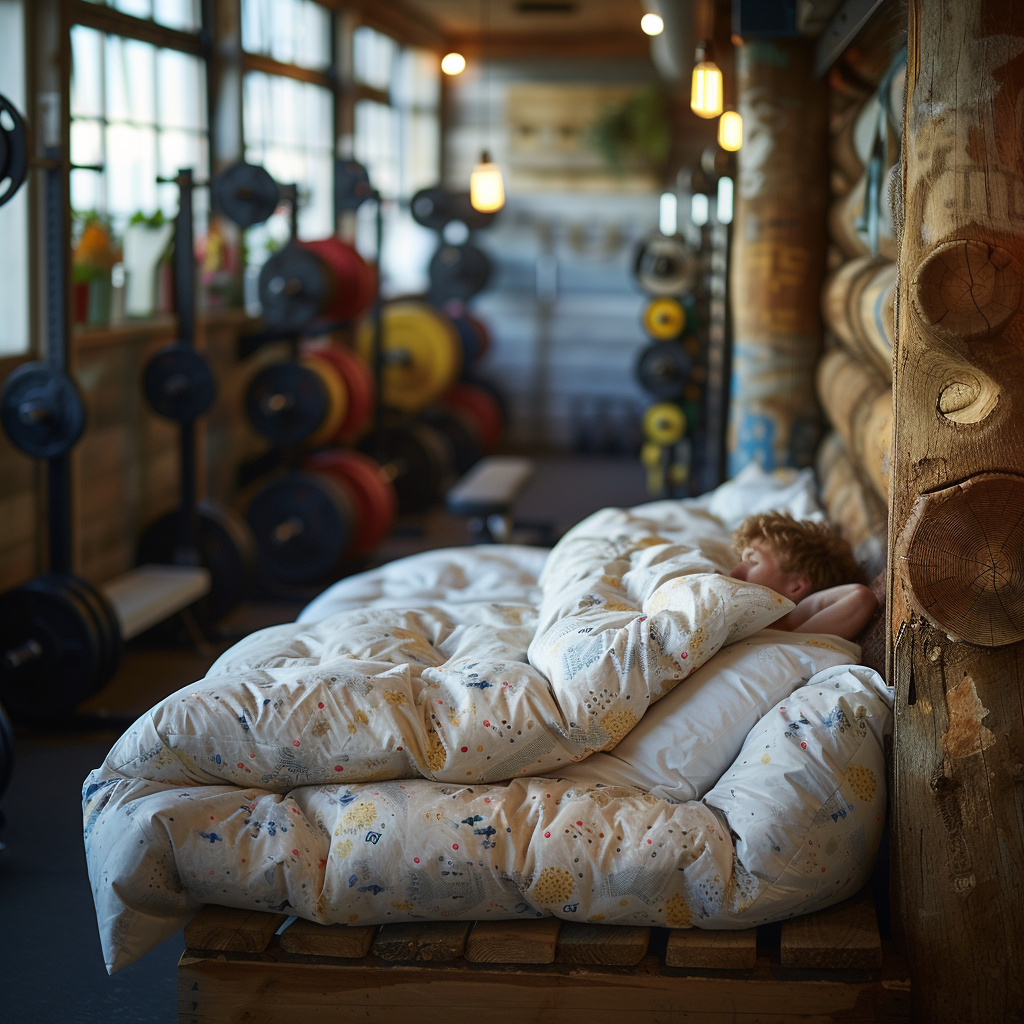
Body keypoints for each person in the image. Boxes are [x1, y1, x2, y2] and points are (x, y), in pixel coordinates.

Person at [729, 511, 878, 641]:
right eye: (741, 561)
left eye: (753, 561)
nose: (735, 571)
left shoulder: (788, 628)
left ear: (796, 586)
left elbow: (861, 597)